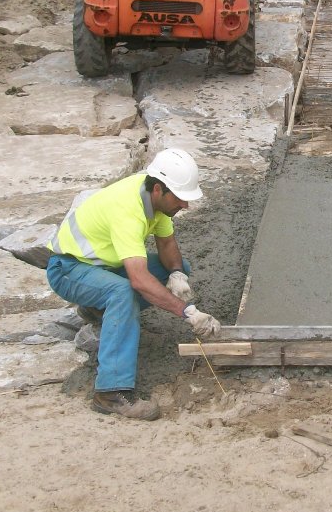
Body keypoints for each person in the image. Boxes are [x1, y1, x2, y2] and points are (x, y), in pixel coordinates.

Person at [45, 147, 222, 420]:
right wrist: (187, 312)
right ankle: (110, 393)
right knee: (123, 292)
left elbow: (167, 244)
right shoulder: (128, 210)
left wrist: (177, 275)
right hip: (69, 269)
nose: (185, 206)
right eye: (181, 198)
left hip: (102, 266)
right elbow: (139, 280)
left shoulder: (159, 204)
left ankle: (99, 310)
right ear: (158, 190)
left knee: (176, 267)